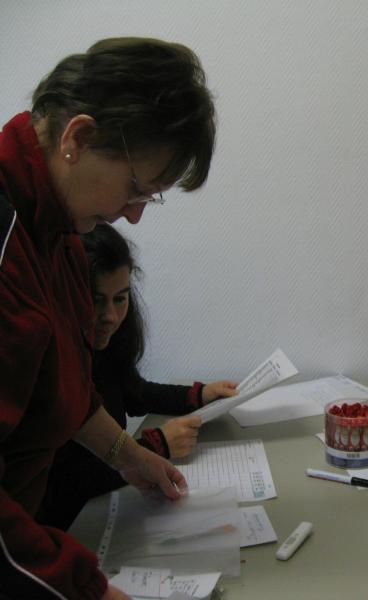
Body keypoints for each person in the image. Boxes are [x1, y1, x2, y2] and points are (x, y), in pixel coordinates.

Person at [0, 38, 216, 600]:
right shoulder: (6, 246)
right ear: (78, 138)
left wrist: (128, 455)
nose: (135, 216)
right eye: (136, 189)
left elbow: (64, 387)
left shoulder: (61, 233)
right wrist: (86, 591)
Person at [37, 224, 238, 531]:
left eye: (120, 299)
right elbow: (63, 484)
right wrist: (155, 445)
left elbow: (134, 392)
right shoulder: (50, 367)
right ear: (68, 295)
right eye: (96, 299)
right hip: (66, 528)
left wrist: (198, 395)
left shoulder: (103, 347)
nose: (110, 315)